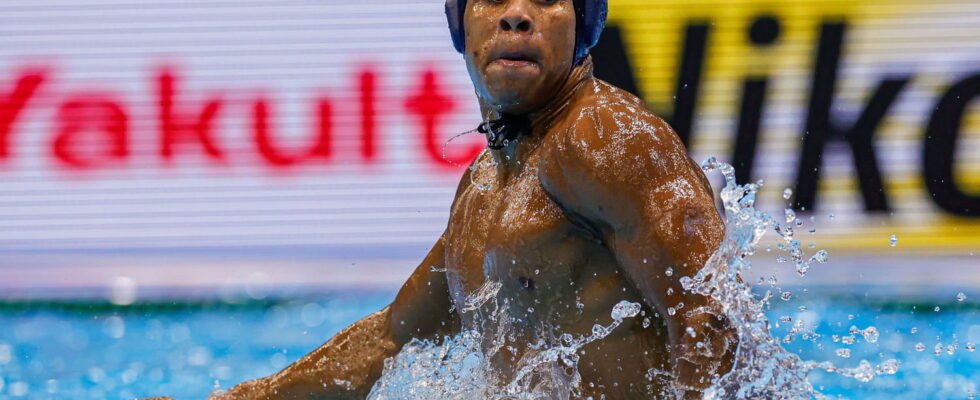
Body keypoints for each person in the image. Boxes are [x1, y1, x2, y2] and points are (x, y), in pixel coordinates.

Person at [148, 0, 736, 398]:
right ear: (461, 26)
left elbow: (711, 322)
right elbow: (390, 339)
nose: (515, 16)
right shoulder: (486, 185)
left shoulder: (605, 138)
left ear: (583, 25)